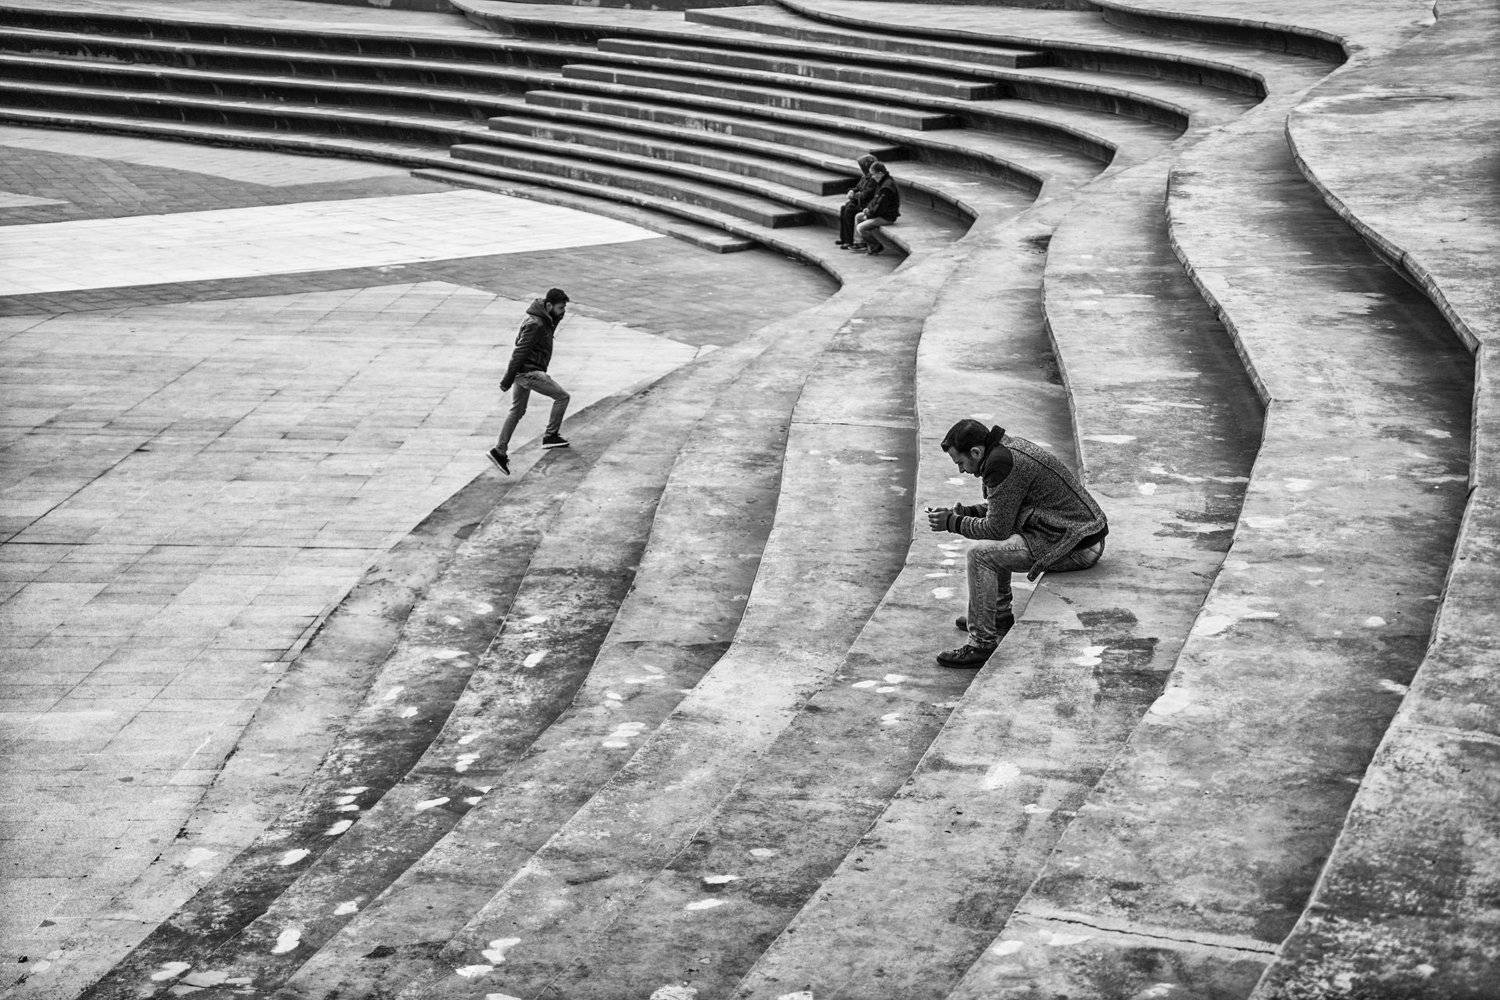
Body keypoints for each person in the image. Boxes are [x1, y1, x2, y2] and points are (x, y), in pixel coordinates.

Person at [925, 419, 1108, 668]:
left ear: (976, 452)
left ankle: (981, 644)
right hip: (1074, 534)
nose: (961, 470)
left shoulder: (1001, 464)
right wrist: (964, 512)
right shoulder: (1003, 451)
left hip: (1074, 545)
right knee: (992, 547)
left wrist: (953, 523)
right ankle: (998, 616)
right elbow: (1004, 508)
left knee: (981, 555)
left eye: (961, 462)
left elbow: (997, 528)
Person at [487, 287, 571, 476]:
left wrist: (555, 318)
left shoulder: (545, 319)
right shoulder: (536, 324)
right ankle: (550, 436)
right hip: (529, 373)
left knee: (517, 411)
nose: (563, 312)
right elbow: (519, 351)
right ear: (548, 305)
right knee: (562, 397)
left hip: (525, 373)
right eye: (560, 308)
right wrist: (507, 380)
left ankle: (499, 451)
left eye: (564, 308)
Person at [851, 162, 901, 256]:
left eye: (873, 174)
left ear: (880, 173)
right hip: (880, 214)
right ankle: (860, 243)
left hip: (887, 217)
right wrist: (868, 209)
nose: (872, 177)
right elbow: (875, 200)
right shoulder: (882, 182)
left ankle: (876, 246)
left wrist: (869, 215)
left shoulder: (886, 187)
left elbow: (881, 207)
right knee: (858, 216)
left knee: (861, 227)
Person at [835, 154, 880, 248]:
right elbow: (858, 187)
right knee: (844, 208)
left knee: (849, 210)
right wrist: (852, 191)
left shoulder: (873, 179)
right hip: (859, 201)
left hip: (867, 204)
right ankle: (844, 238)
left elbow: (867, 194)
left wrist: (854, 196)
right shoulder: (865, 177)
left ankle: (849, 241)